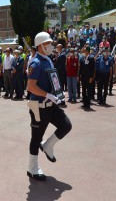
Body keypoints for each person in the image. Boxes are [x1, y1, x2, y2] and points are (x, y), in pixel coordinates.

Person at [26, 31, 72, 181]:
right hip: (38, 106)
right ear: (40, 46)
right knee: (36, 138)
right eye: (48, 44)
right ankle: (32, 168)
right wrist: (47, 94)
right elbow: (30, 87)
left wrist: (58, 93)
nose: (51, 46)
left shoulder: (48, 60)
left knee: (66, 125)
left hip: (50, 104)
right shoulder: (36, 63)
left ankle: (48, 146)